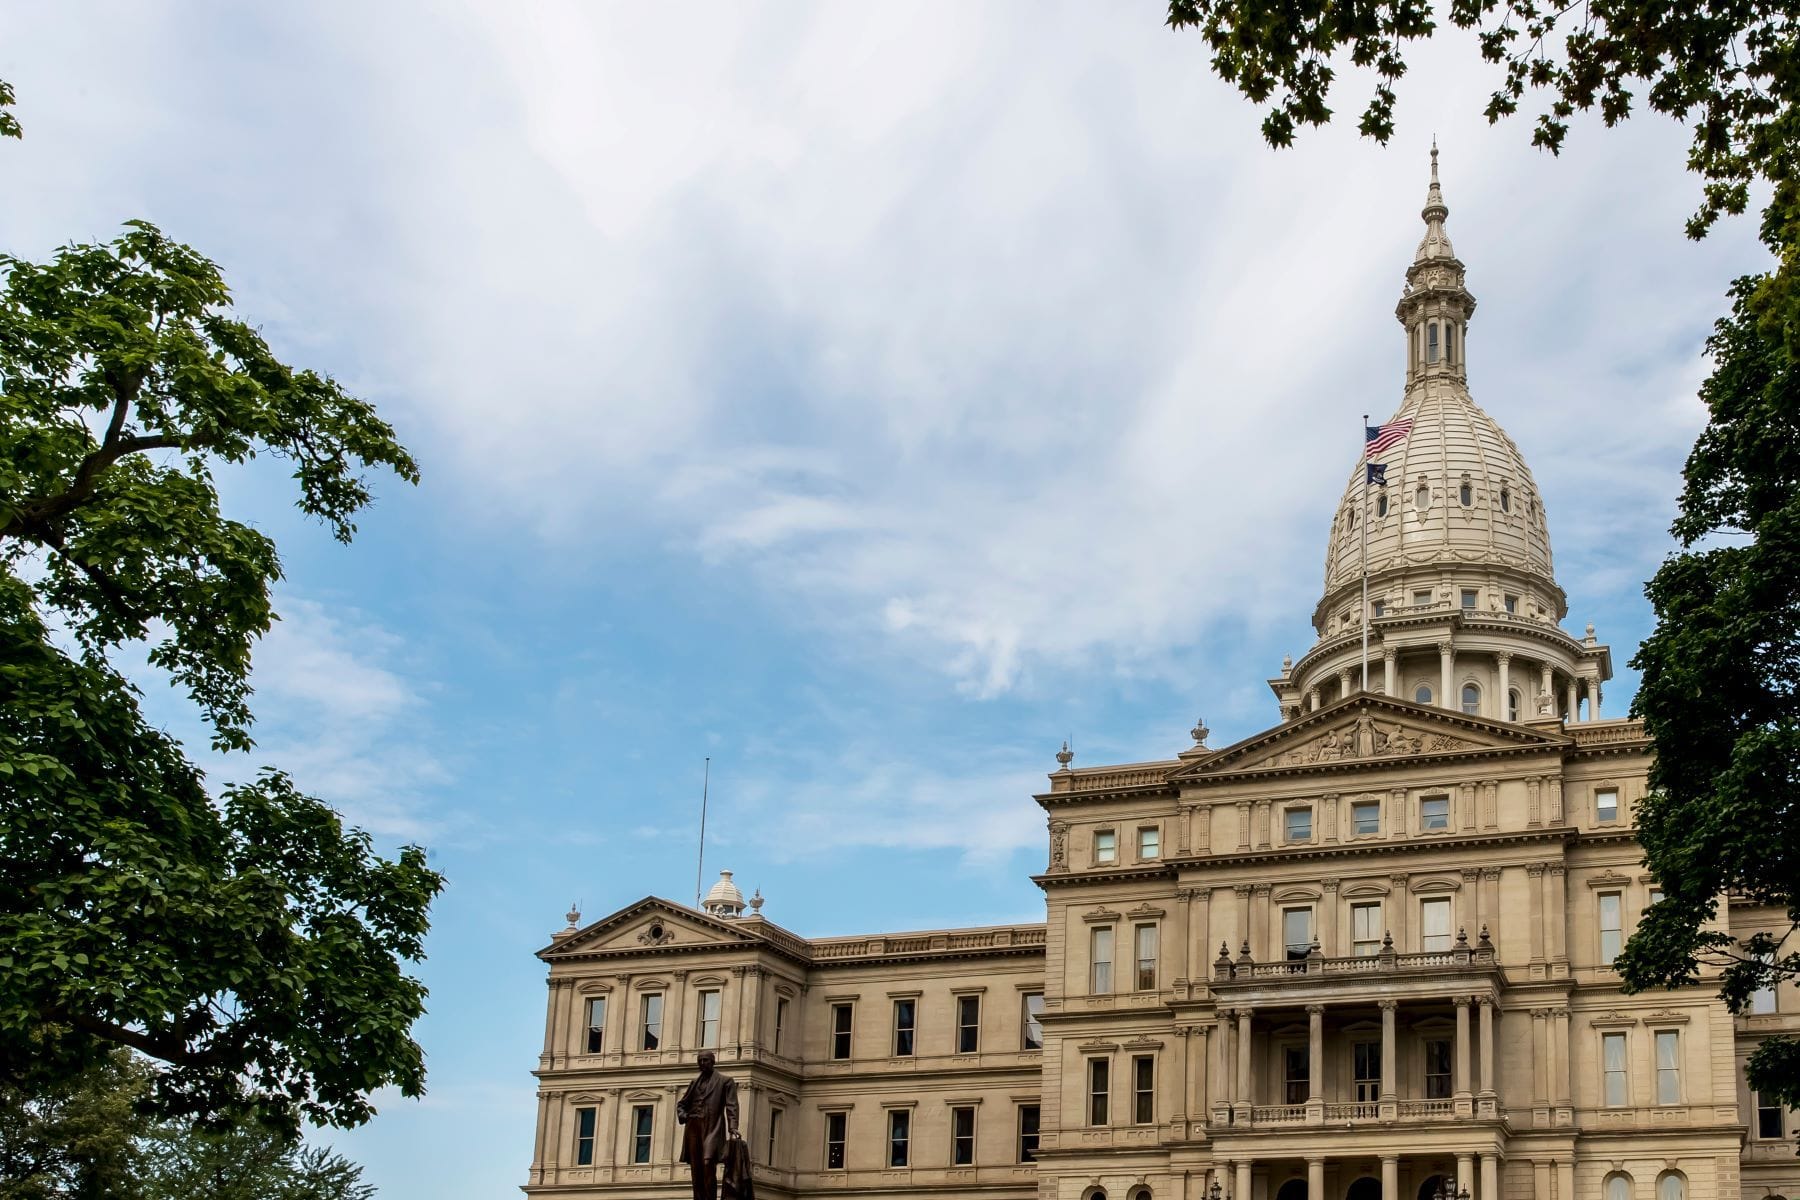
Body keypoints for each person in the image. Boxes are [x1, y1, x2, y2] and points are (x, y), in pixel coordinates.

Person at [677, 1050, 739, 1200]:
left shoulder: (725, 1081)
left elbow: (732, 1105)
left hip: (712, 1127)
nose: (702, 1063)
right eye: (700, 1061)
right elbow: (682, 1104)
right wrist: (684, 1115)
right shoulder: (694, 1082)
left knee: (707, 1163)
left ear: (713, 1062)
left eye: (705, 1060)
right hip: (693, 1127)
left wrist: (733, 1127)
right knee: (696, 1168)